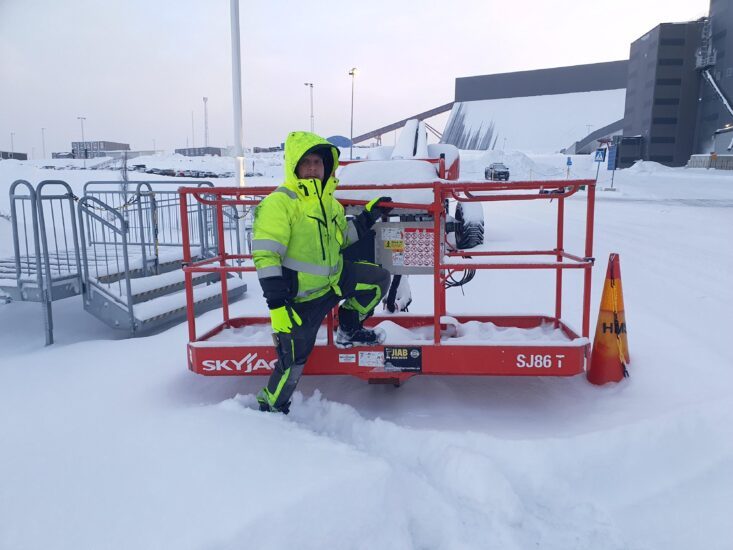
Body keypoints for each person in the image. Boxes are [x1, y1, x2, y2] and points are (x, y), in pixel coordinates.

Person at [252, 131, 392, 414]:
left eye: (318, 162)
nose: (313, 168)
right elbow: (266, 255)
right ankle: (272, 405)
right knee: (293, 359)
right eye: (307, 163)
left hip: (333, 283)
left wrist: (367, 216)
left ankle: (349, 328)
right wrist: (278, 306)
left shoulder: (329, 202)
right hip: (300, 299)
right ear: (295, 166)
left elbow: (342, 238)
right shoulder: (280, 203)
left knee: (377, 280)